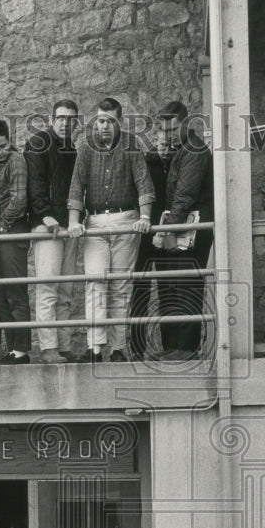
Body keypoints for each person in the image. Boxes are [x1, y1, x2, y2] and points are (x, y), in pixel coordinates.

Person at [67, 97, 154, 362]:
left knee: (120, 287)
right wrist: (73, 221)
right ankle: (95, 348)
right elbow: (77, 185)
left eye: (110, 121)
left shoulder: (130, 144)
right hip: (94, 224)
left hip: (126, 221)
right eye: (100, 120)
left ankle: (118, 348)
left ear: (120, 121)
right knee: (95, 283)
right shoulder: (85, 147)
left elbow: (143, 182)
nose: (103, 126)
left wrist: (145, 217)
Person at [154, 100, 214, 360]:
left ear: (186, 123)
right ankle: (171, 347)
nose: (168, 136)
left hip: (191, 226)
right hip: (180, 224)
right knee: (171, 284)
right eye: (164, 131)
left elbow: (185, 194)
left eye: (172, 130)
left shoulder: (195, 150)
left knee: (187, 284)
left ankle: (186, 348)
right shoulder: (181, 149)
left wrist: (169, 229)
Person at [24, 99, 80, 364]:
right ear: (52, 118)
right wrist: (44, 213)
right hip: (47, 224)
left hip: (68, 224)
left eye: (71, 119)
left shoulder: (72, 149)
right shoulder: (39, 143)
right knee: (47, 287)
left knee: (66, 289)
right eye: (61, 118)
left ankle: (64, 345)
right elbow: (35, 180)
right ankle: (48, 349)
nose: (65, 123)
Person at [127, 126, 175, 360]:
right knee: (140, 290)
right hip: (146, 231)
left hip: (168, 231)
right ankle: (137, 349)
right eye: (162, 145)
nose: (166, 150)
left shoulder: (177, 162)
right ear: (154, 143)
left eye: (170, 146)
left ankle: (169, 346)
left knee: (168, 288)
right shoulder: (146, 163)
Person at [0, 118, 31, 365]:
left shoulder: (16, 160)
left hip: (12, 231)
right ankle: (11, 347)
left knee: (15, 291)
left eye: (3, 145)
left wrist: (2, 224)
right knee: (1, 293)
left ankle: (22, 349)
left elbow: (19, 199)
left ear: (9, 139)